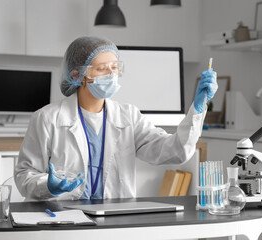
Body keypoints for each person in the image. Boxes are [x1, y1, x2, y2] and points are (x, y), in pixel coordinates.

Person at [14, 36, 218, 201]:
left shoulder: (128, 116)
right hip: (61, 217)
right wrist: (48, 186)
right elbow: (25, 175)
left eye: (114, 68)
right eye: (102, 69)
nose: (111, 75)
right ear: (77, 76)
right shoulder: (48, 118)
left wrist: (198, 108)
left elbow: (175, 151)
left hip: (114, 216)